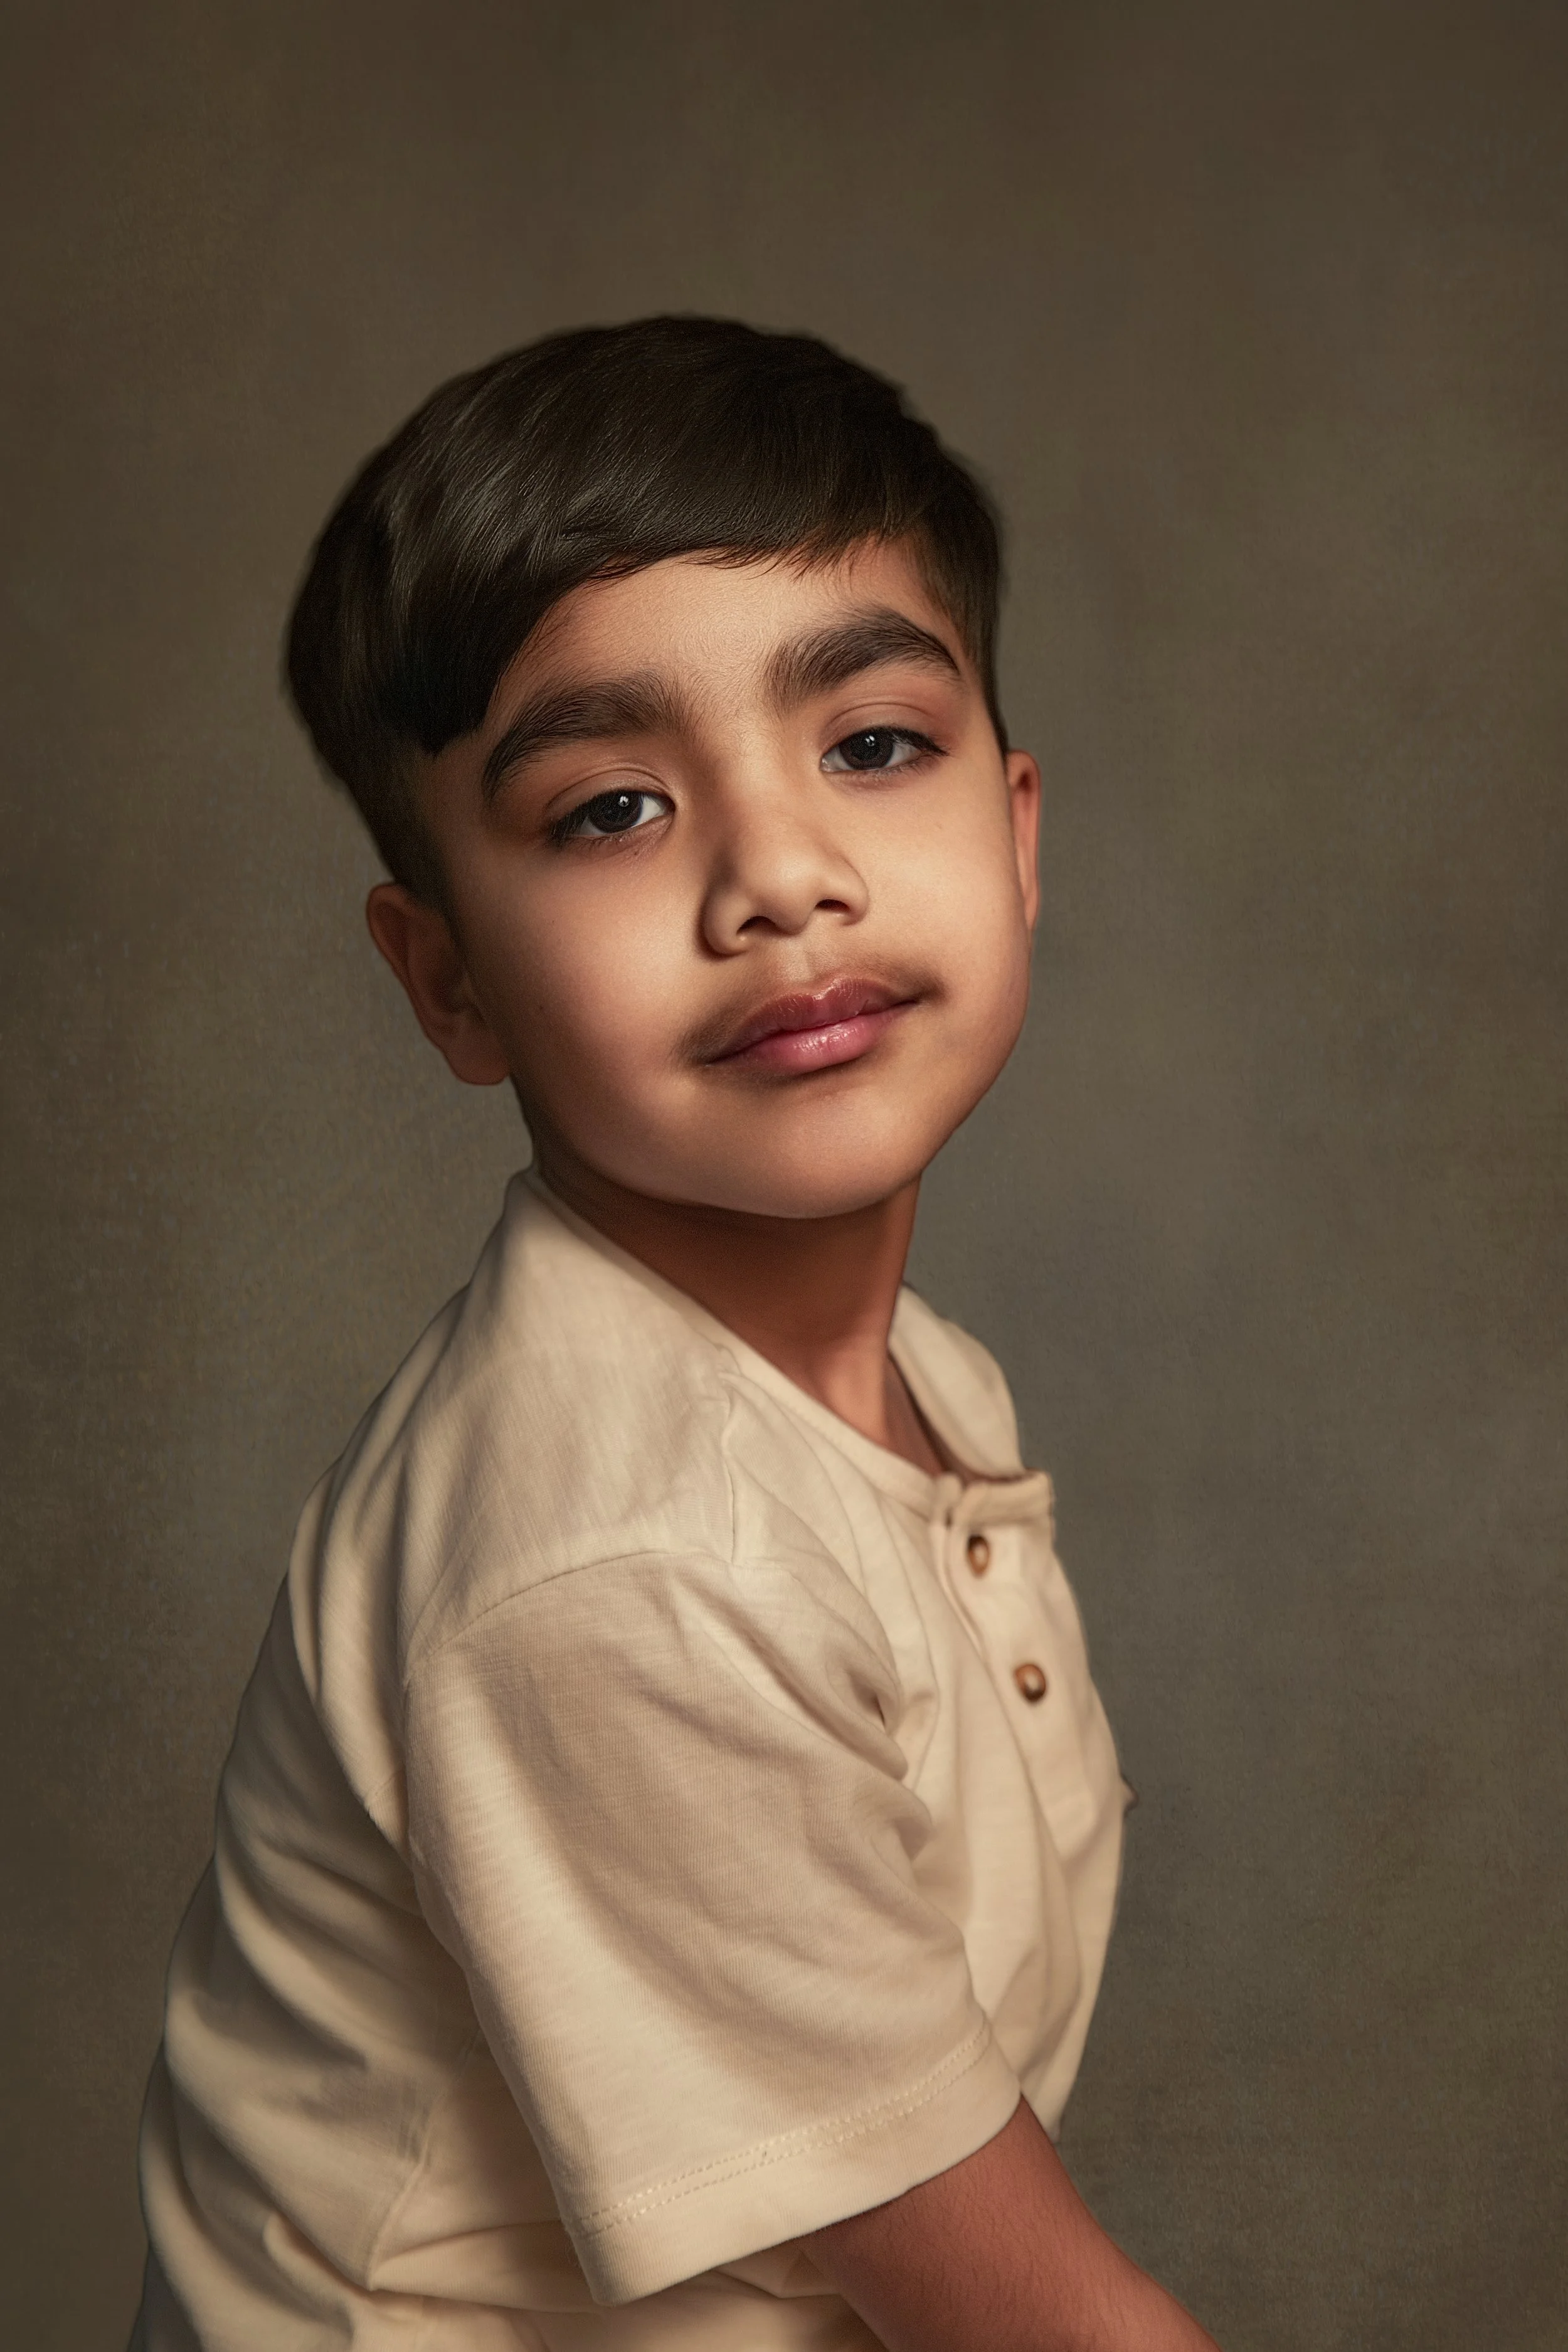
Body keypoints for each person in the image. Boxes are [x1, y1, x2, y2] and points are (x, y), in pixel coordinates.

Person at [131, 317, 1219, 2351]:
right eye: (613, 808)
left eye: (873, 745)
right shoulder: (621, 1559)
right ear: (447, 984)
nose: (780, 877)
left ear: (1016, 826)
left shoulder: (917, 1384)